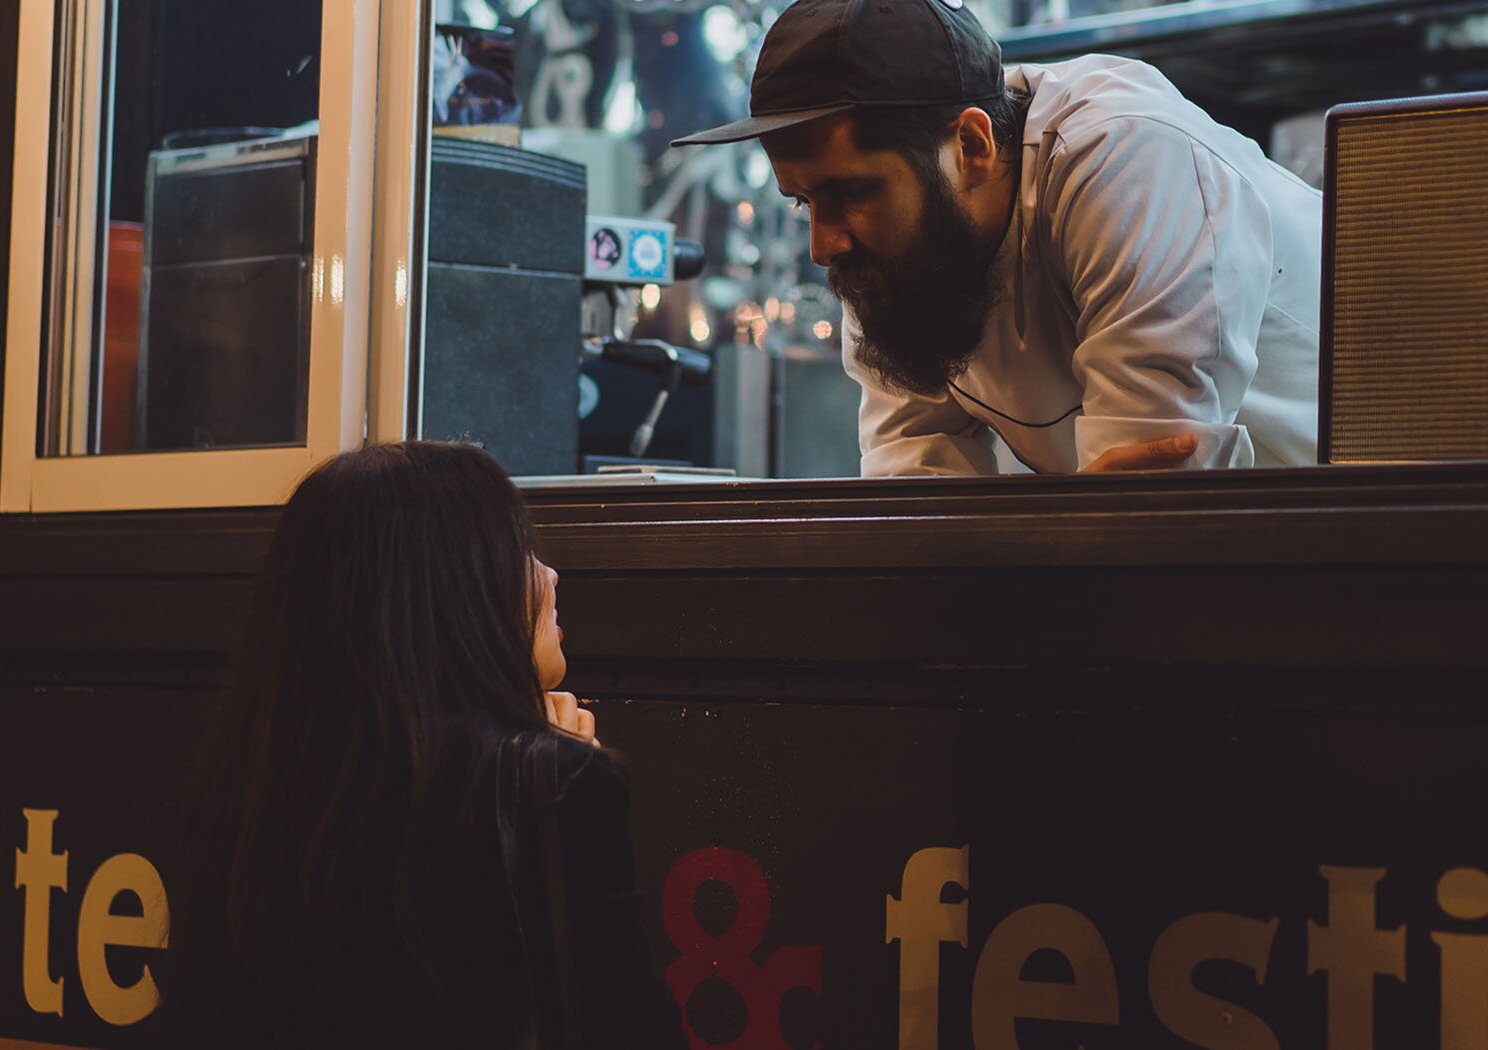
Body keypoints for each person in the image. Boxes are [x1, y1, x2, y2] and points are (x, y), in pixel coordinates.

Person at [156, 442, 687, 1049]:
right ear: (453, 591)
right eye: (517, 550)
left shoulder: (261, 785)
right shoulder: (550, 787)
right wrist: (552, 780)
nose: (549, 574)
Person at [673, 0, 1320, 476]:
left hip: (1366, 529)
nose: (823, 244)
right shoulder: (897, 256)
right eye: (804, 201)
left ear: (972, 146)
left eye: (849, 193)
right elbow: (914, 492)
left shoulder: (1128, 158)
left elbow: (1149, 499)